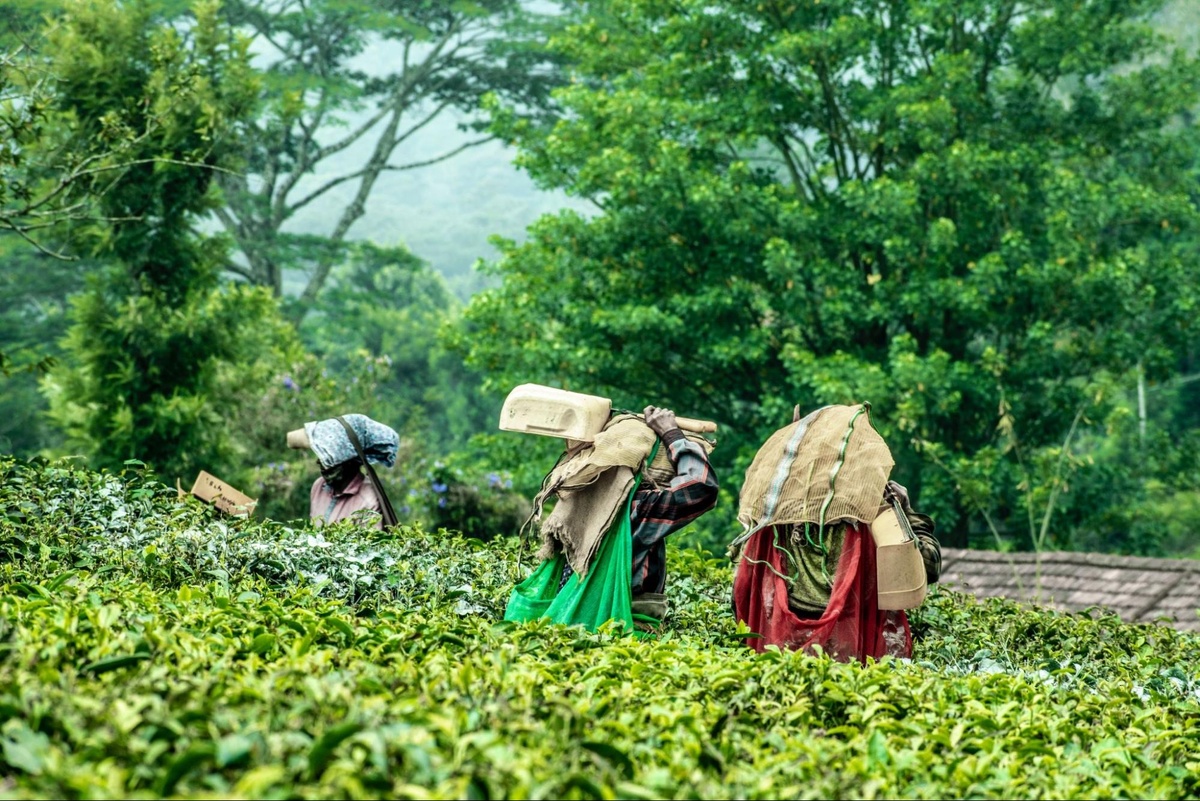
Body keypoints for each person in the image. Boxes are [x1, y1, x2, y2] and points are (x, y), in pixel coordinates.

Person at [730, 403, 941, 662]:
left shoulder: (774, 516)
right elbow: (925, 569)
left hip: (781, 642)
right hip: (847, 643)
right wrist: (906, 514)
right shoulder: (867, 514)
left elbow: (743, 586)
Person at [505, 405, 719, 631]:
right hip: (619, 627)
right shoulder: (637, 507)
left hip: (564, 622)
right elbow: (701, 487)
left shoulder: (574, 496)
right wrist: (671, 435)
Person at [286, 413, 399, 530]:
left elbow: (367, 546)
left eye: (329, 459)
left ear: (350, 461)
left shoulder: (367, 500)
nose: (319, 463)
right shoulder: (319, 486)